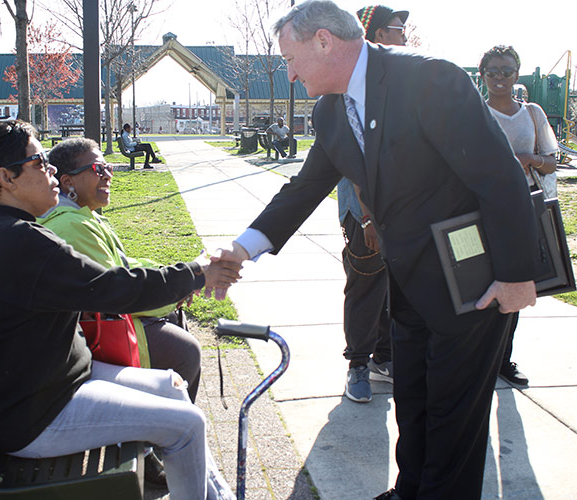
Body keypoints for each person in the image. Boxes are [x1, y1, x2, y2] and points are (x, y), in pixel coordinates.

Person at [211, 2, 538, 499]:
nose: (290, 72)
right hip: (407, 287)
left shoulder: (428, 81)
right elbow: (304, 189)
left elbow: (500, 176)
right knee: (413, 401)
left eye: (291, 58)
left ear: (324, 40)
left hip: (471, 282)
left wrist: (517, 275)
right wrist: (241, 249)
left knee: (454, 417)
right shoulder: (331, 111)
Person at [0, 120, 238, 500]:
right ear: (7, 177)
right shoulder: (20, 243)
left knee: (172, 387)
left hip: (47, 386)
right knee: (186, 425)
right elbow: (114, 289)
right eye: (39, 162)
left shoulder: (5, 233)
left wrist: (193, 275)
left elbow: (113, 282)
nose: (51, 169)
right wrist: (197, 274)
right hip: (30, 416)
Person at [40, 137, 202, 402]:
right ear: (67, 181)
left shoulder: (83, 215)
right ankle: (164, 434)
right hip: (95, 335)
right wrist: (171, 296)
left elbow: (121, 265)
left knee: (177, 329)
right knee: (186, 351)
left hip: (104, 319)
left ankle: (166, 425)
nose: (108, 176)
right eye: (98, 169)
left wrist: (168, 275)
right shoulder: (71, 226)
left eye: (109, 168)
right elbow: (113, 294)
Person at [337, 4, 409, 404]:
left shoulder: (397, 82)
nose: (404, 37)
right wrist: (367, 218)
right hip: (363, 211)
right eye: (398, 29)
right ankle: (358, 365)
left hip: (400, 210)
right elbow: (354, 161)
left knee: (394, 288)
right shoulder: (356, 86)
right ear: (379, 35)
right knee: (365, 286)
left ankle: (385, 356)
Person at [480, 45, 559, 386]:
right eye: (493, 71)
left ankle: (503, 359)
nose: (500, 78)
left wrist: (527, 158)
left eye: (507, 71)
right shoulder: (474, 113)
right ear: (482, 74)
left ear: (517, 74)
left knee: (516, 283)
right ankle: (479, 358)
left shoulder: (533, 114)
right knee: (480, 284)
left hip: (526, 207)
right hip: (483, 208)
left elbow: (552, 161)